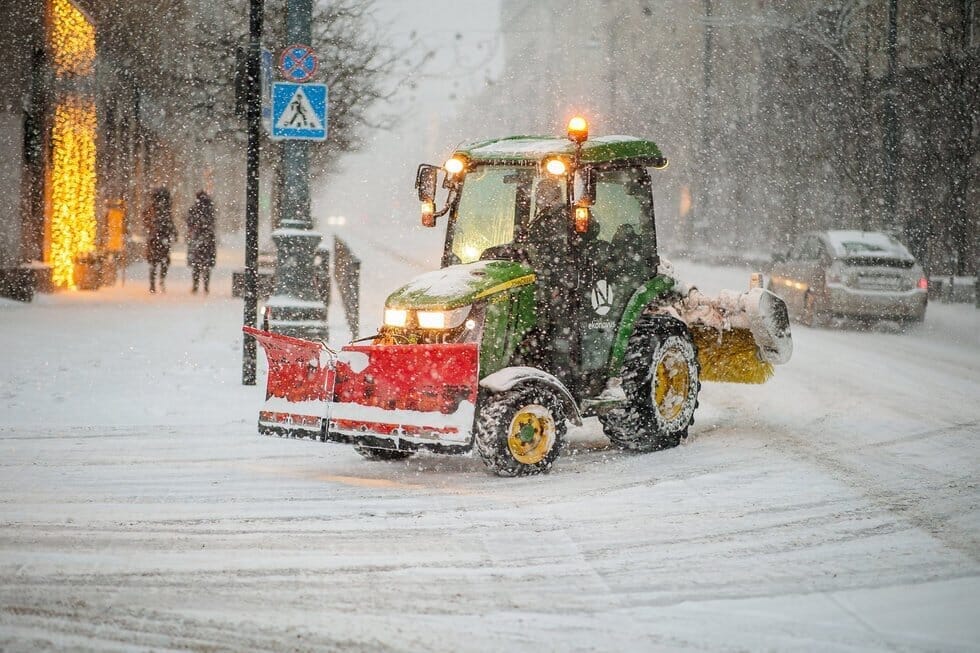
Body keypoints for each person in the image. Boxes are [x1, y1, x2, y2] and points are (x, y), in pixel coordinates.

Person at [142, 187, 177, 293]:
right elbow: (170, 223)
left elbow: (145, 219)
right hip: (163, 239)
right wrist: (174, 233)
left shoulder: (151, 209)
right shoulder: (166, 209)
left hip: (154, 238)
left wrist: (150, 227)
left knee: (154, 263)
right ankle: (161, 279)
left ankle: (153, 284)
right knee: (164, 261)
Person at [185, 190, 217, 293]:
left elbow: (189, 222)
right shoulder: (209, 208)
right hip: (207, 238)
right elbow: (212, 222)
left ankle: (196, 285)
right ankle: (206, 286)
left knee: (196, 265)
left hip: (197, 237)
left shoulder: (194, 209)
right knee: (206, 265)